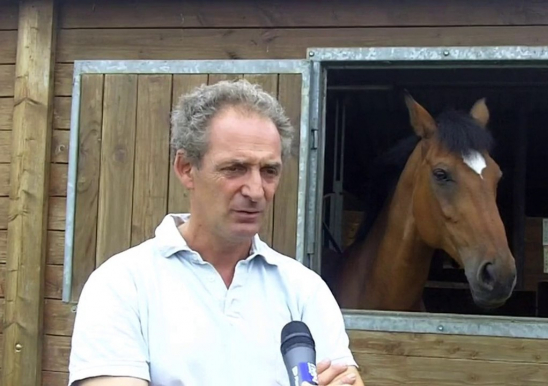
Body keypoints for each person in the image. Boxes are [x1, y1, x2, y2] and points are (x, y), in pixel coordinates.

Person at [68, 79, 365, 386]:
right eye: (235, 168)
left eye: (269, 171)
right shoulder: (122, 284)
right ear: (185, 168)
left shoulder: (304, 290)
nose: (255, 190)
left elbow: (345, 379)